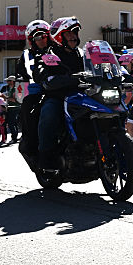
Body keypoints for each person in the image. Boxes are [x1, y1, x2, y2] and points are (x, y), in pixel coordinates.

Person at [33, 16, 86, 174]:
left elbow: (100, 66)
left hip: (82, 96)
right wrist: (46, 76)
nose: (73, 36)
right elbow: (40, 70)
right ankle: (47, 160)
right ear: (59, 36)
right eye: (69, 33)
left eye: (75, 33)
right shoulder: (50, 54)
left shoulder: (83, 54)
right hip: (59, 97)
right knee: (49, 113)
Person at [17, 20, 50, 168]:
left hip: (61, 89)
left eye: (44, 36)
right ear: (32, 41)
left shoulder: (59, 50)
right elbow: (22, 77)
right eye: (37, 38)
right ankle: (31, 149)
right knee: (29, 109)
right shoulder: (26, 56)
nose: (42, 40)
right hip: (39, 93)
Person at [2, 75, 20, 143]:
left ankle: (14, 138)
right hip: (11, 108)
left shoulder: (15, 89)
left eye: (9, 81)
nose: (7, 82)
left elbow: (15, 100)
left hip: (15, 108)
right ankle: (14, 137)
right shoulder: (10, 89)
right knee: (13, 124)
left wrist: (5, 97)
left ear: (12, 81)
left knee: (11, 124)